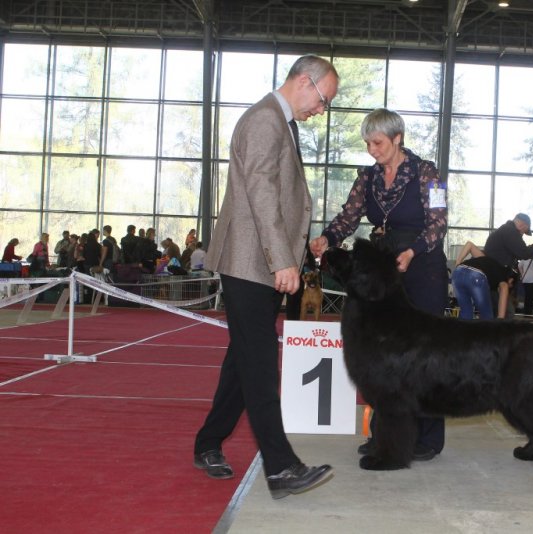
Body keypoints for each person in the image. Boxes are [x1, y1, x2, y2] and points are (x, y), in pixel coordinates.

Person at [195, 55, 338, 499]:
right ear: (303, 81)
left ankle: (207, 443)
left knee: (243, 360)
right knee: (258, 365)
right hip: (250, 262)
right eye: (323, 98)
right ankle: (281, 467)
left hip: (257, 262)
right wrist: (282, 259)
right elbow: (260, 193)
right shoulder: (264, 120)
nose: (322, 109)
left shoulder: (278, 121)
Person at [309, 107, 448, 463]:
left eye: (378, 142)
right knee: (383, 360)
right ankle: (386, 435)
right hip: (383, 274)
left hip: (422, 265)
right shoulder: (367, 178)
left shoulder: (427, 173)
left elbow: (438, 222)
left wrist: (413, 251)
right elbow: (348, 216)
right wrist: (327, 238)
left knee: (425, 354)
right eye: (368, 143)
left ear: (397, 138)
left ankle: (427, 438)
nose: (372, 149)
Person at [452, 242, 517, 320]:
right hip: (476, 275)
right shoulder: (503, 276)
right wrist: (500, 319)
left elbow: (469, 245)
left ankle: (464, 332)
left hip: (457, 273)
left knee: (466, 314)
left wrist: (457, 263)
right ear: (511, 280)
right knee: (487, 317)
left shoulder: (485, 260)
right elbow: (504, 287)